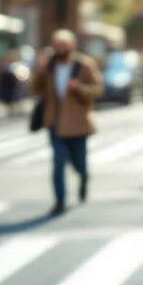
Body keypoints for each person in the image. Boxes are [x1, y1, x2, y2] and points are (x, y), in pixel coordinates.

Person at [30, 29, 103, 217]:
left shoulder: (84, 64)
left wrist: (78, 87)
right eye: (56, 44)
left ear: (71, 46)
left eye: (63, 44)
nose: (59, 48)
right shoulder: (49, 66)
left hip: (78, 123)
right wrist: (40, 69)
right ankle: (59, 200)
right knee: (58, 163)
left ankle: (83, 176)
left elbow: (97, 90)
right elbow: (35, 89)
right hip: (55, 122)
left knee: (79, 162)